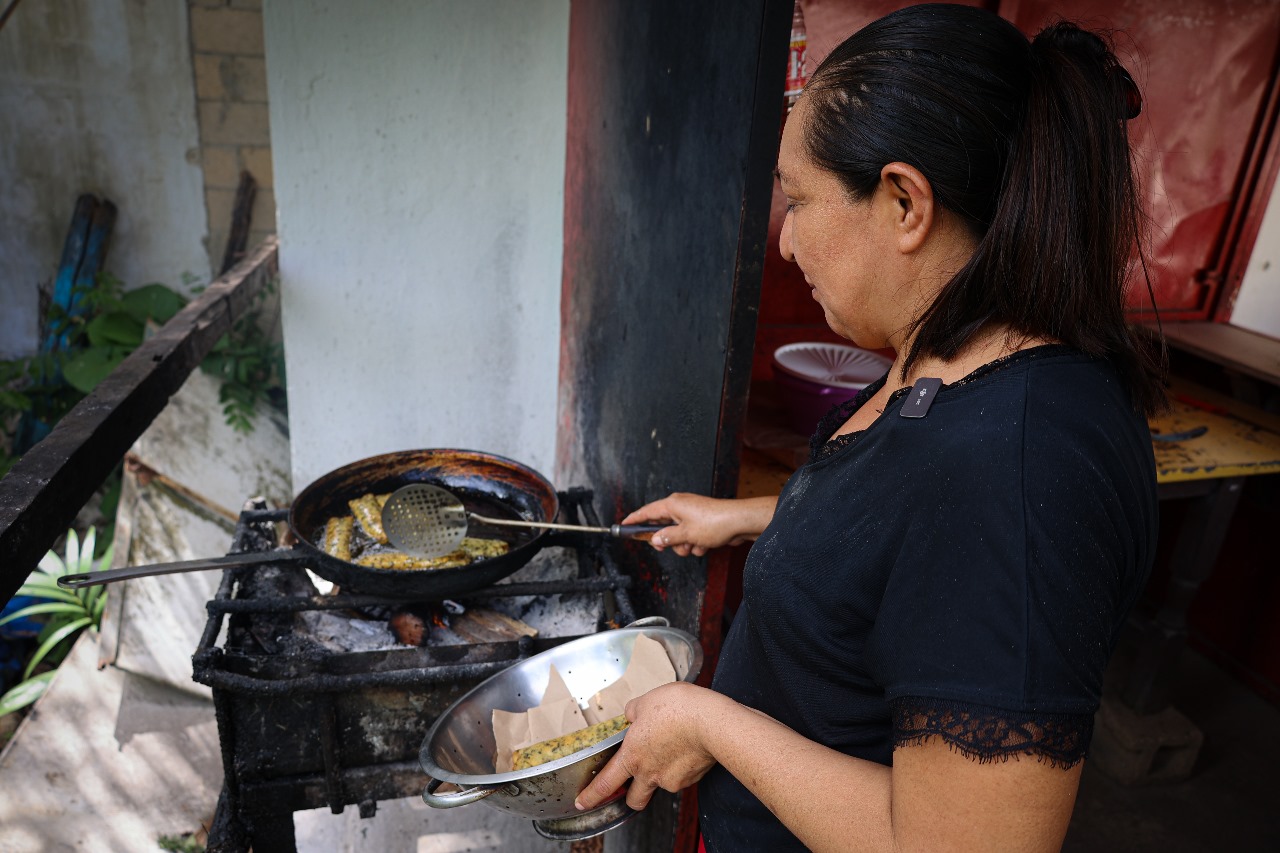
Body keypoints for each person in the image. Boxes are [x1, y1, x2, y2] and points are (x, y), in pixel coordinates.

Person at [573, 4, 1167, 851]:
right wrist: (748, 516)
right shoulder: (958, 358)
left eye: (798, 200)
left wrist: (708, 723)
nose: (786, 243)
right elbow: (902, 533)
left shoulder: (1014, 475)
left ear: (904, 203)